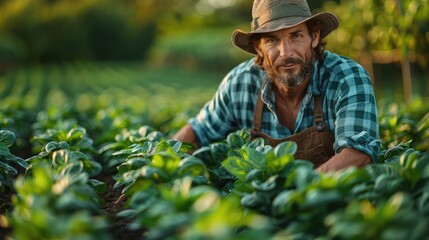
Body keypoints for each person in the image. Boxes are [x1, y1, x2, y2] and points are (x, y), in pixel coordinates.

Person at [172, 0, 381, 172]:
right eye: (272, 40)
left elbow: (358, 154)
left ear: (314, 36)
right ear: (259, 48)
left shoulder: (346, 77)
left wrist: (294, 193)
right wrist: (161, 165)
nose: (286, 53)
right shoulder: (240, 84)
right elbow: (197, 132)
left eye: (296, 36)